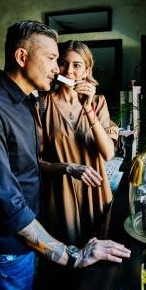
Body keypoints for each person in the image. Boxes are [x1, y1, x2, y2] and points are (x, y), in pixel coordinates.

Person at [0, 21, 130, 290]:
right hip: (4, 246)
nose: (58, 68)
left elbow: (27, 167)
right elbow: (5, 198)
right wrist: (71, 255)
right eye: (52, 59)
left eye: (66, 63)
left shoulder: (25, 103)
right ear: (22, 57)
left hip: (28, 237)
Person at [36, 40, 118, 246]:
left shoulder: (99, 103)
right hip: (59, 195)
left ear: (87, 70)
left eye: (77, 65)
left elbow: (108, 154)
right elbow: (35, 162)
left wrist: (88, 109)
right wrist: (69, 168)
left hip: (96, 192)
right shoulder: (41, 105)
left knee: (98, 261)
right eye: (63, 63)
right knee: (65, 263)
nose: (69, 71)